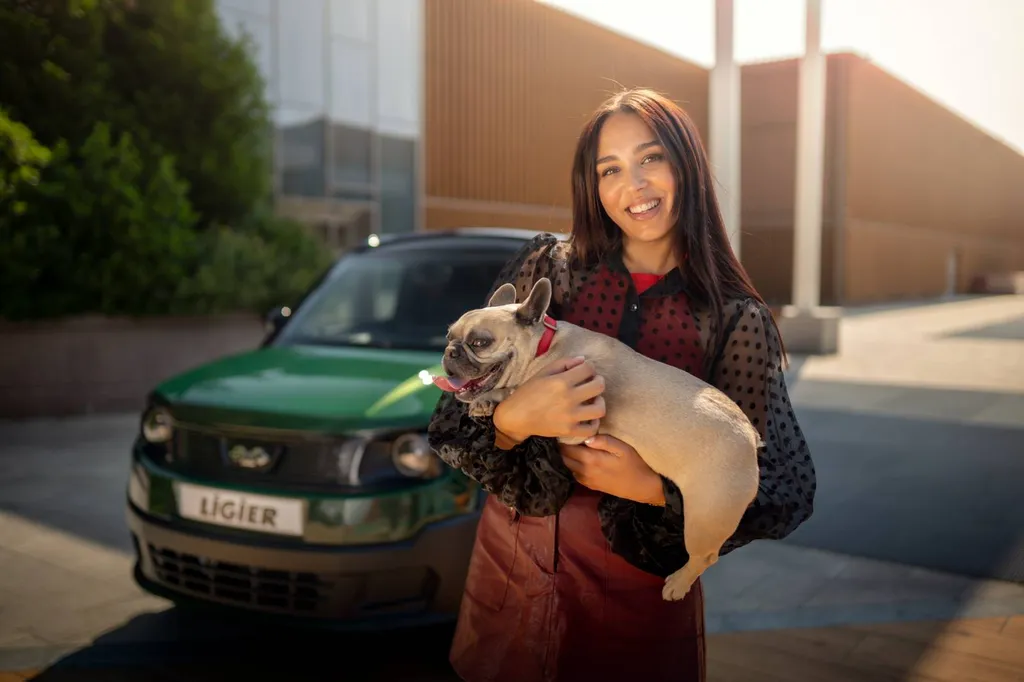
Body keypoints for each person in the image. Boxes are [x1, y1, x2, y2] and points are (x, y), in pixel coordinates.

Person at [427, 88, 816, 682]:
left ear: (686, 166)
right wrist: (513, 418)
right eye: (610, 169)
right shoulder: (546, 267)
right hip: (512, 576)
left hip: (638, 600)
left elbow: (786, 486)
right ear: (592, 184)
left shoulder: (734, 318)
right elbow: (449, 422)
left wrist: (661, 490)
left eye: (651, 158)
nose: (632, 184)